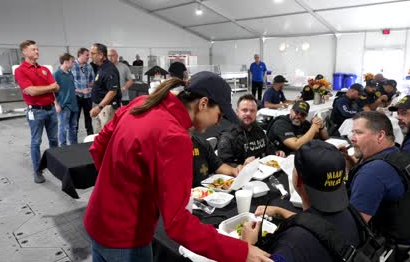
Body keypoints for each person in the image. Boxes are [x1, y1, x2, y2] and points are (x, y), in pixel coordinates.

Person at [84, 71, 271, 262]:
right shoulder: (175, 137)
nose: (218, 121)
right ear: (203, 104)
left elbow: (98, 147)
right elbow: (178, 224)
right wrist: (240, 251)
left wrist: (117, 184)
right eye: (219, 114)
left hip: (97, 217)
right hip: (125, 236)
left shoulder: (143, 102)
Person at [241, 140, 361, 262]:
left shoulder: (292, 243)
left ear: (298, 179)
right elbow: (320, 226)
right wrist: (281, 211)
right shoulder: (352, 214)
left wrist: (246, 247)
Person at [345, 111, 410, 246]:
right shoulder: (404, 155)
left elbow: (352, 228)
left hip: (391, 246)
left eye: (358, 133)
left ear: (380, 136)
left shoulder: (372, 173)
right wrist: (349, 160)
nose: (352, 138)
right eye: (353, 132)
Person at [14, 40, 59, 184]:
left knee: (53, 140)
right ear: (25, 52)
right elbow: (31, 91)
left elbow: (56, 87)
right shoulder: (20, 70)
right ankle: (37, 170)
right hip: (36, 112)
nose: (37, 52)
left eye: (37, 49)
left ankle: (56, 165)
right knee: (36, 142)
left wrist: (48, 88)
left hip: (51, 109)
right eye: (33, 49)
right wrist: (49, 87)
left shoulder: (44, 69)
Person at [218, 94, 285, 166]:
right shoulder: (228, 137)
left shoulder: (259, 130)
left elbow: (270, 149)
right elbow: (222, 165)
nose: (248, 114)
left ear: (256, 113)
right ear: (237, 112)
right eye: (244, 110)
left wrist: (277, 153)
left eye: (252, 111)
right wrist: (242, 166)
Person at [89, 43, 121, 133]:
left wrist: (99, 107)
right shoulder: (101, 68)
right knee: (99, 136)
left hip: (106, 108)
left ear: (101, 55)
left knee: (106, 136)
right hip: (101, 108)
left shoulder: (109, 69)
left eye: (93, 53)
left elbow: (112, 91)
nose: (91, 56)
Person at [54, 53, 79, 147]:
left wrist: (82, 91)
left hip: (73, 105)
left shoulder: (70, 74)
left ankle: (74, 145)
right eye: (72, 62)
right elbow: (51, 92)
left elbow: (71, 88)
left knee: (73, 127)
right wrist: (56, 105)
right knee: (63, 128)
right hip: (64, 105)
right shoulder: (56, 75)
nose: (73, 64)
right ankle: (63, 147)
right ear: (66, 62)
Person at [71, 48, 94, 135]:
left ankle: (90, 136)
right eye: (87, 55)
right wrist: (81, 90)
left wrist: (91, 85)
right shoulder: (72, 66)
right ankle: (74, 138)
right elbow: (68, 84)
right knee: (75, 118)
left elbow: (92, 79)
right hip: (76, 96)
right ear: (80, 54)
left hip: (87, 97)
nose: (89, 57)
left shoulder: (89, 67)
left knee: (89, 117)